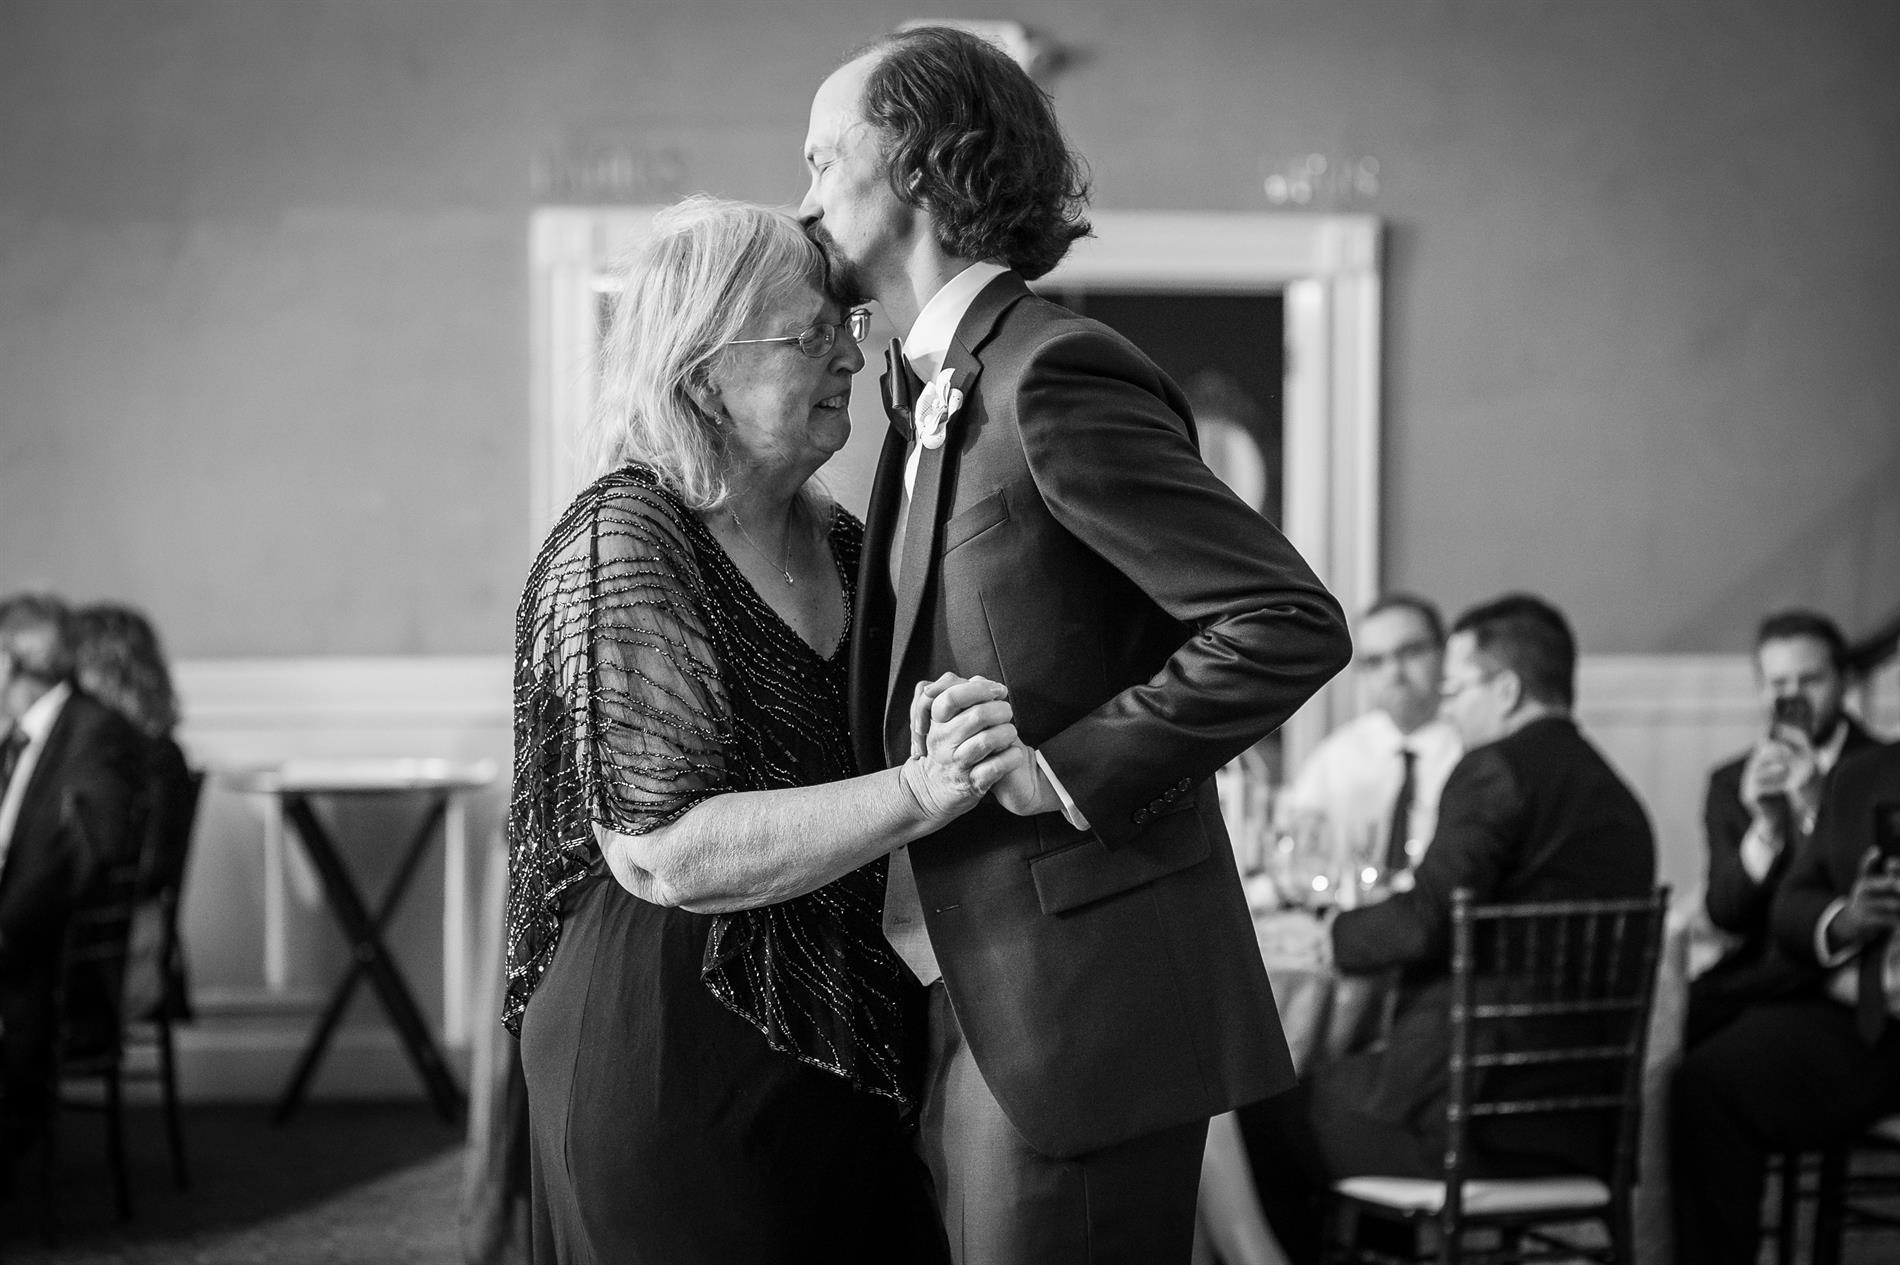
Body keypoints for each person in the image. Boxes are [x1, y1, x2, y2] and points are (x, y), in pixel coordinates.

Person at [799, 28, 1352, 1263]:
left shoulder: (1050, 373)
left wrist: (1060, 767)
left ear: (918, 164)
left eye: (822, 158)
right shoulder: (928, 392)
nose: (805, 197)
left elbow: (1284, 619)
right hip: (960, 982)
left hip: (1079, 996)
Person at [506, 196, 1027, 1265]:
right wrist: (916, 791)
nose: (852, 355)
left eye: (849, 325)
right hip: (666, 1047)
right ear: (703, 373)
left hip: (839, 1037)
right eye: (811, 335)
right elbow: (665, 851)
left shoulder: (845, 544)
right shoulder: (626, 537)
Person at [1239, 594, 1657, 1264]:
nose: (1450, 708)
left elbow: (1423, 919)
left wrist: (1331, 936)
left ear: (1507, 690)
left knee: (1254, 1111)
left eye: (1458, 690)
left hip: (1469, 1118)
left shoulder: (1494, 769)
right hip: (1579, 1127)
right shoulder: (1623, 804)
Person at [1671, 739, 1900, 1265]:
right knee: (1711, 1083)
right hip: (1869, 1021)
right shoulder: (1862, 774)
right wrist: (1846, 919)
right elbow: (1794, 905)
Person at [0, 592, 144, 1176]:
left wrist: (4, 930)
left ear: (10, 662)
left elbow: (79, 859)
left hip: (43, 956)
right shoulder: (18, 738)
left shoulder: (96, 732)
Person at [1689, 609, 1878, 1046]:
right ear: (1760, 690)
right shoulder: (1730, 782)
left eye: (1810, 681)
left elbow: (1867, 896)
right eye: (1778, 685)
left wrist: (1815, 808)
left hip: (1841, 974)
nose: (1794, 697)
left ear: (1844, 680)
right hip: (1754, 981)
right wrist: (1768, 828)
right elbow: (1725, 913)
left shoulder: (1882, 768)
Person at [70, 602, 198, 1024]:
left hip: (115, 947)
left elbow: (145, 872)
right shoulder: (97, 756)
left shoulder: (154, 759)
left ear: (105, 672)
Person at [1276, 593, 1462, 879]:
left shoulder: (1475, 747)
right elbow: (1293, 852)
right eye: (1375, 661)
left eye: (1410, 652)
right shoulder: (1337, 756)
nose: (1394, 672)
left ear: (1444, 651)